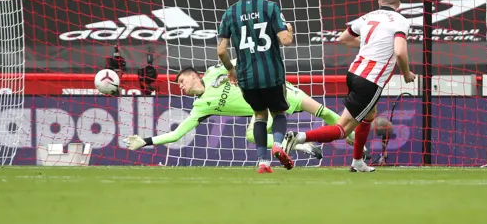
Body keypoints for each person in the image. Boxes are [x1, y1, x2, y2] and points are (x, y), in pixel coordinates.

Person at [284, 0, 414, 172]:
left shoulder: (368, 16)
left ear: (379, 1)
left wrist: (370, 42)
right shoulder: (400, 21)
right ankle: (299, 137)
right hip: (370, 80)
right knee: (343, 129)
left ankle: (358, 161)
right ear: (398, 4)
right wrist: (407, 73)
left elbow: (343, 38)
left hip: (354, 73)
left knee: (369, 115)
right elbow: (400, 52)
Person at [124, 62, 361, 160]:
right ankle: (301, 145)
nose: (181, 87)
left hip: (280, 92)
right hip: (262, 111)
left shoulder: (215, 72)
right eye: (179, 86)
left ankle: (356, 142)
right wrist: (145, 141)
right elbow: (176, 135)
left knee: (324, 112)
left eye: (181, 81)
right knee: (251, 135)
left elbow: (238, 61)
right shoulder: (199, 108)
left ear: (193, 75)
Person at [215, 0, 294, 173]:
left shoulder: (230, 13)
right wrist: (290, 31)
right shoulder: (270, 7)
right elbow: (285, 40)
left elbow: (221, 50)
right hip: (272, 74)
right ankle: (277, 145)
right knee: (278, 112)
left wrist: (231, 70)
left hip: (246, 76)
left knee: (259, 114)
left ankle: (263, 162)